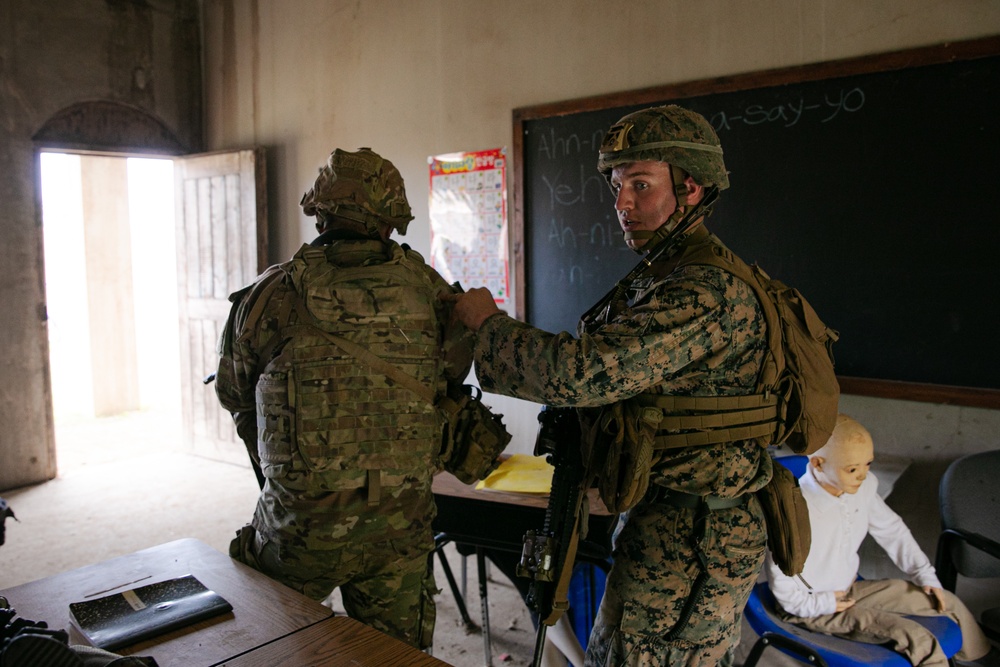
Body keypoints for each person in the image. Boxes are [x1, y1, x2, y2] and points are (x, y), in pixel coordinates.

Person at [445, 104, 774, 666]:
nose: (622, 203)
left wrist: (487, 324)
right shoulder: (664, 275)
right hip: (671, 520)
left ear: (692, 188)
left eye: (640, 185)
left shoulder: (703, 289)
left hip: (694, 538)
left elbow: (581, 374)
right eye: (618, 187)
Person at [215, 147, 474, 649]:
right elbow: (450, 382)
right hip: (399, 528)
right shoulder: (431, 290)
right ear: (391, 220)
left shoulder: (276, 292)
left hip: (300, 528)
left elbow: (233, 392)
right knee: (395, 660)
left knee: (273, 652)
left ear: (321, 213)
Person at [766, 414, 998, 667]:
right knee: (920, 640)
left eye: (868, 464)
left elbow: (892, 530)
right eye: (852, 469)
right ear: (818, 465)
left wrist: (923, 574)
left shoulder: (863, 488)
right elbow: (784, 586)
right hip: (811, 607)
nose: (862, 475)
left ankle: (985, 662)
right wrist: (825, 602)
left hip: (850, 589)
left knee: (949, 603)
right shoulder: (795, 510)